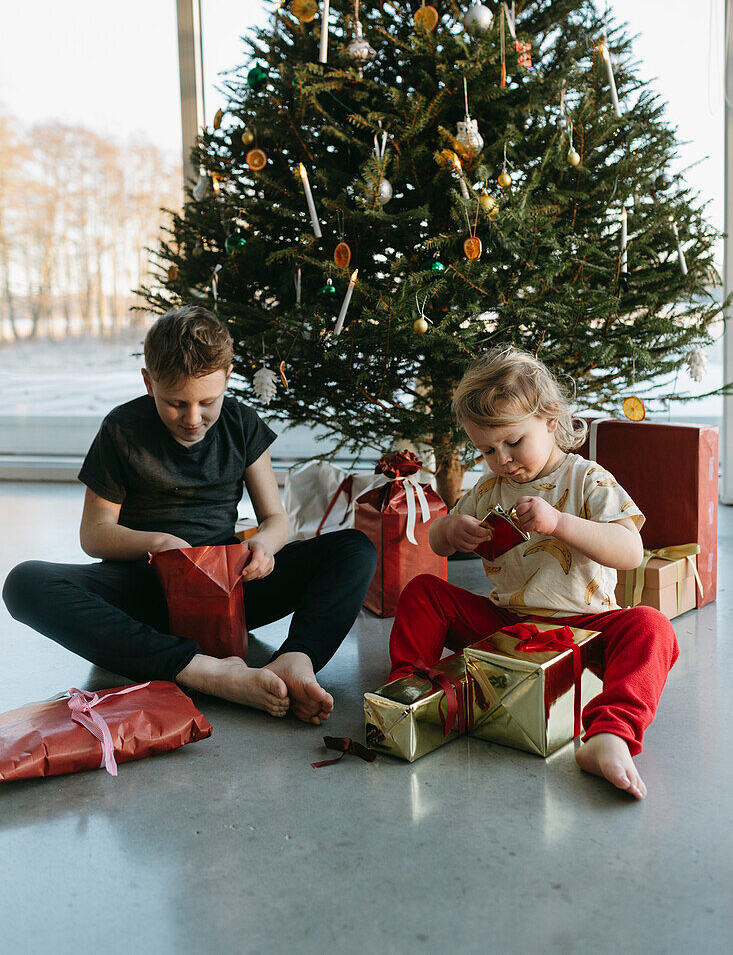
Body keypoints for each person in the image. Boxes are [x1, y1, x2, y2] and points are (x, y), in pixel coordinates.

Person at [3, 306, 376, 725]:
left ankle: (294, 659)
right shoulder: (121, 430)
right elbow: (95, 534)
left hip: (229, 586)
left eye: (208, 401)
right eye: (176, 403)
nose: (193, 418)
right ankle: (203, 671)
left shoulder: (241, 423)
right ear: (148, 382)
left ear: (228, 378)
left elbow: (275, 519)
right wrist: (156, 544)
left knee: (355, 547)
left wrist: (265, 547)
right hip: (146, 590)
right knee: (24, 582)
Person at [388, 346, 679, 800]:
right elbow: (434, 544)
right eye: (487, 449)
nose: (502, 458)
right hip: (507, 629)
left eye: (513, 442)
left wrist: (560, 523)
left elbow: (629, 550)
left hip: (584, 630)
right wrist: (450, 530)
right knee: (425, 591)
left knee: (651, 626)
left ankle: (610, 734)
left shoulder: (588, 478)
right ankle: (411, 693)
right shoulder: (488, 489)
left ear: (550, 419)